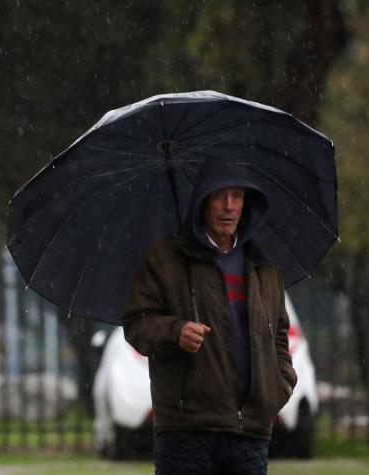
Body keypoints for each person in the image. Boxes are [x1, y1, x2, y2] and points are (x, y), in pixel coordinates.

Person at [122, 158, 297, 474]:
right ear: (203, 200)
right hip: (186, 431)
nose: (229, 206)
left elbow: (279, 333)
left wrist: (280, 384)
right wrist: (175, 331)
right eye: (220, 195)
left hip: (250, 433)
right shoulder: (164, 259)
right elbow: (137, 324)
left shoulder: (264, 265)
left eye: (238, 196)